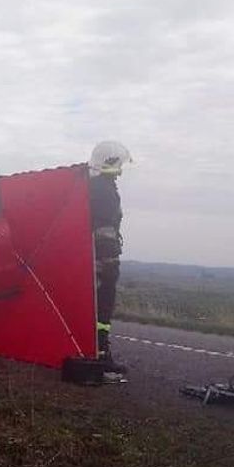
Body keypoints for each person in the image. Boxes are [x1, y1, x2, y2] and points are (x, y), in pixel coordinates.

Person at [88, 141, 132, 379]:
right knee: (102, 307)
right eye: (119, 164)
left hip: (100, 258)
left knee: (100, 309)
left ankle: (99, 350)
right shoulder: (102, 189)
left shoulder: (96, 186)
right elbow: (103, 229)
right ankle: (100, 353)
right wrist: (108, 261)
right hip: (104, 259)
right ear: (110, 163)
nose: (121, 170)